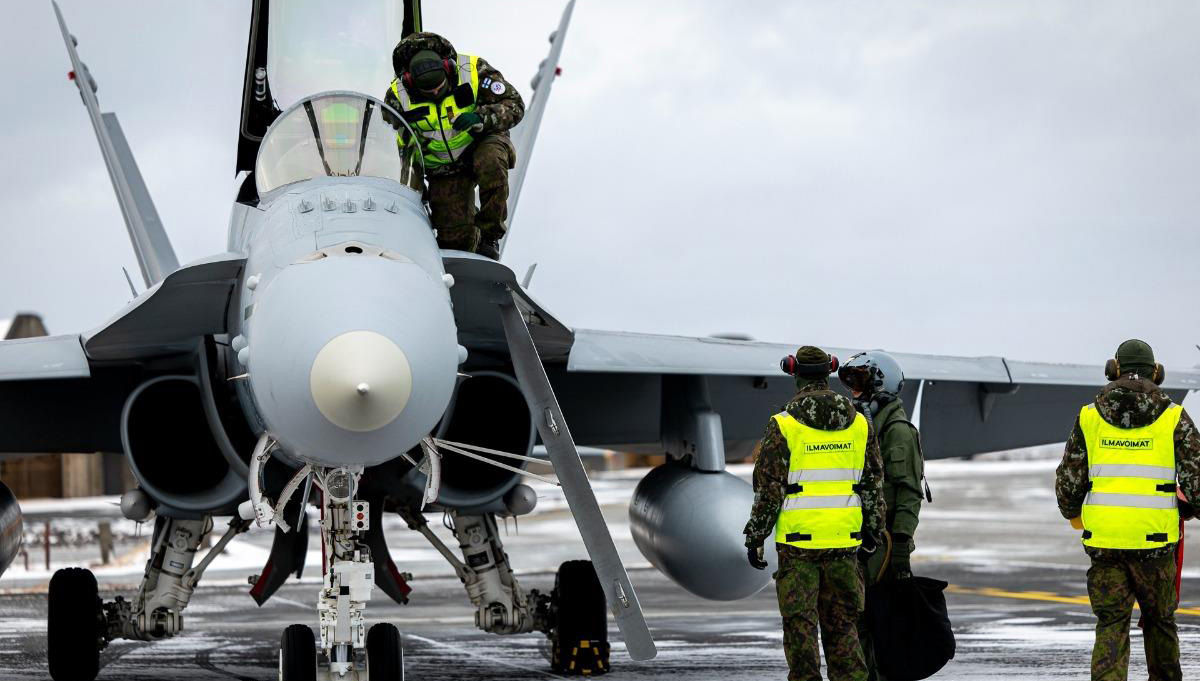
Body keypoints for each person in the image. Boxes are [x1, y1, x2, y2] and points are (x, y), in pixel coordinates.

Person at [1055, 339, 1200, 681]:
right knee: (1161, 623)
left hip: (1105, 544)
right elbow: (1197, 480)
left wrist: (1072, 511)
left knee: (1111, 624)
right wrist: (1189, 507)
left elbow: (1069, 481)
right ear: (1157, 373)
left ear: (1113, 370)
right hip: (1156, 543)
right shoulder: (1174, 417)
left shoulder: (1089, 417)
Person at [744, 345, 886, 681]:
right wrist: (873, 532)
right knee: (843, 629)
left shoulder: (784, 424)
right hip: (845, 543)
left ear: (794, 372)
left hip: (798, 547)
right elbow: (872, 483)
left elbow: (769, 488)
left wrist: (756, 535)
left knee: (800, 628)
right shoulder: (860, 423)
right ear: (830, 371)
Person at [384, 33, 524, 258]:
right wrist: (415, 187)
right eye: (428, 93)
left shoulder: (474, 71)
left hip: (480, 143)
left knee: (491, 162)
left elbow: (515, 105)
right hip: (442, 168)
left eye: (440, 87)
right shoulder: (396, 98)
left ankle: (490, 234)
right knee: (455, 242)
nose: (436, 94)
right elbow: (398, 145)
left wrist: (481, 118)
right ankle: (474, 239)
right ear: (410, 82)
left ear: (448, 69)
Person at [838, 351, 926, 681]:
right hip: (864, 540)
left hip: (885, 546)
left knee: (875, 623)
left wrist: (900, 543)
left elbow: (908, 492)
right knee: (858, 621)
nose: (854, 393)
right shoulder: (864, 428)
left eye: (860, 385)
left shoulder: (897, 431)